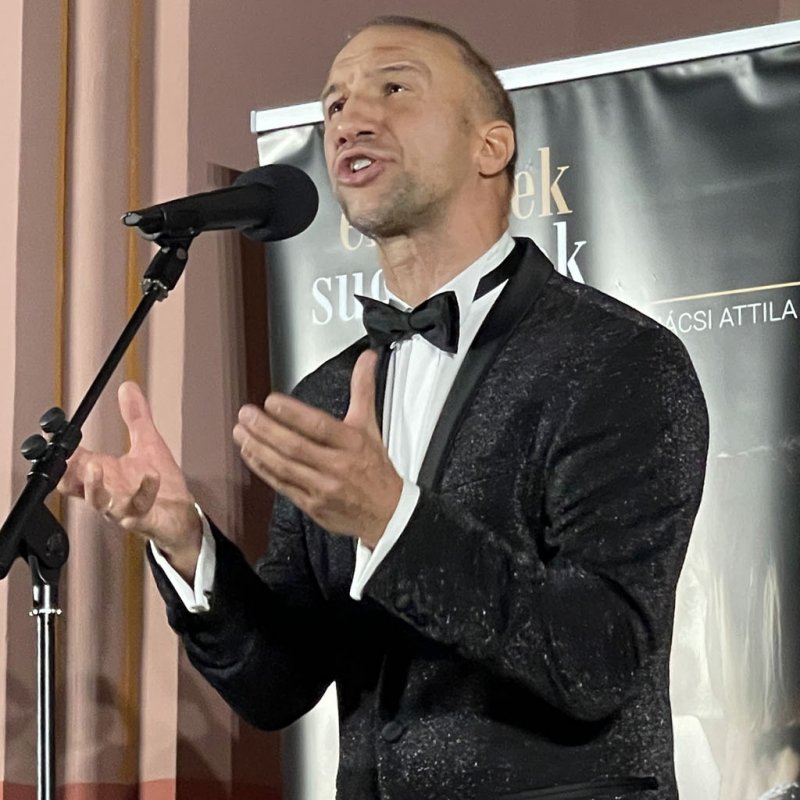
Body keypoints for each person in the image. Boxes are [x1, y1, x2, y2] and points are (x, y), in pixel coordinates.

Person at [59, 16, 709, 800]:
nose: (350, 119)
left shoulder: (620, 359)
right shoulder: (330, 394)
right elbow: (279, 684)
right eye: (333, 104)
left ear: (491, 147)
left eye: (394, 87)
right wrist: (189, 543)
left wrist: (390, 519)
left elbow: (598, 659)